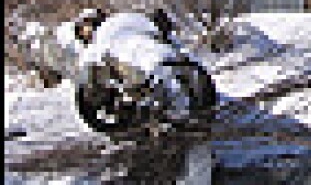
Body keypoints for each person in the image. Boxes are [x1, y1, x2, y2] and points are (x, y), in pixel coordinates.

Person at [72, 8, 216, 137]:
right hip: (122, 79)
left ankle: (178, 106)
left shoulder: (122, 25)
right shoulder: (95, 50)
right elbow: (87, 91)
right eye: (85, 28)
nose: (88, 30)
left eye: (90, 25)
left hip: (149, 55)